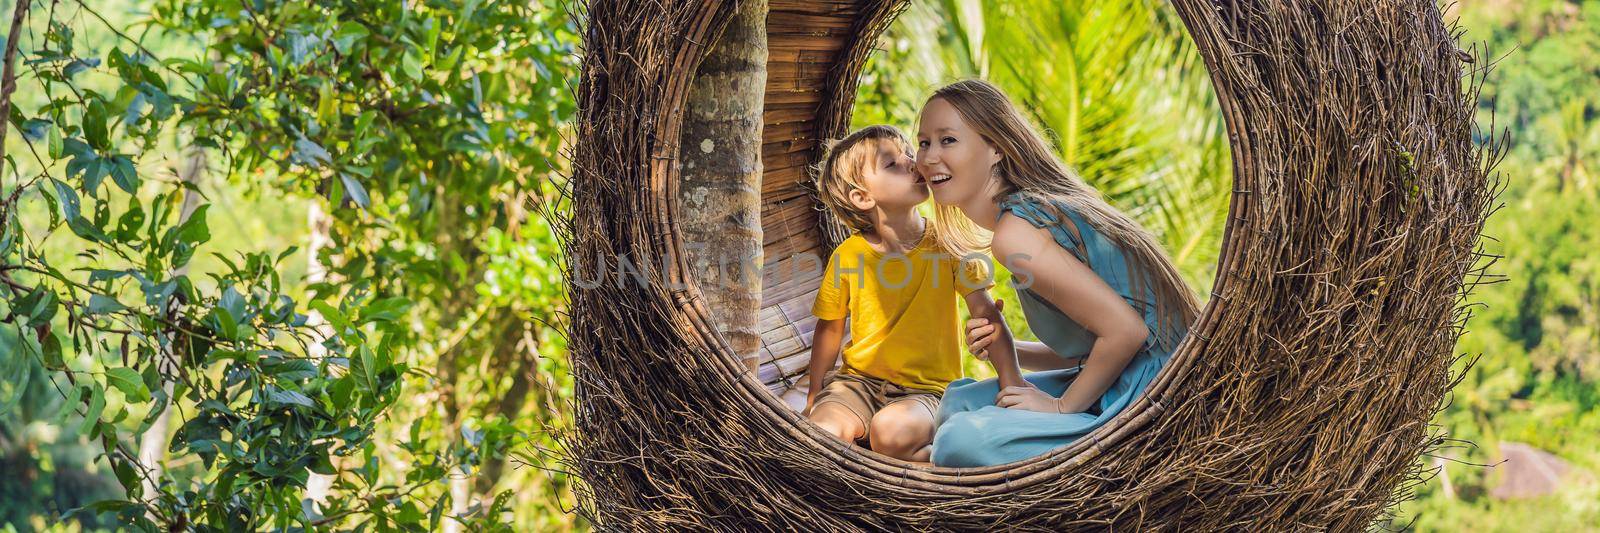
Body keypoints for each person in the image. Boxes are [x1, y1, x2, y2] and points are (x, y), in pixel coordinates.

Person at [915, 79, 1201, 468]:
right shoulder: (1024, 215)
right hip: (1117, 376)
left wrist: (1060, 407)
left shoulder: (1016, 233)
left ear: (996, 147)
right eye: (924, 142)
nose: (929, 157)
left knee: (957, 441)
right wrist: (1010, 348)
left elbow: (1127, 333)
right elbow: (1094, 345)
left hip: (1154, 396)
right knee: (958, 400)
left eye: (947, 140)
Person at [804, 124, 1024, 463]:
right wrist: (816, 393)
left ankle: (935, 461)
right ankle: (891, 457)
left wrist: (1013, 385)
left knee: (890, 434)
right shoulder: (848, 256)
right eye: (892, 163)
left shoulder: (950, 245)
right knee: (823, 434)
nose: (912, 162)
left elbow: (987, 315)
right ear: (862, 197)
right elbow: (830, 329)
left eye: (909, 153)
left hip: (928, 392)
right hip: (856, 384)